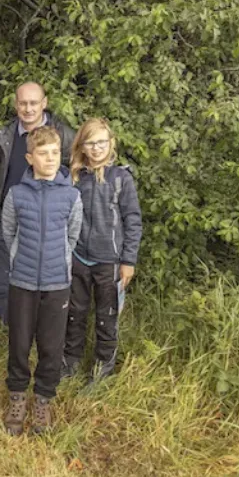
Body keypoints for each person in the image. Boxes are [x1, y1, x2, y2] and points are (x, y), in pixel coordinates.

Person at [0, 126, 82, 436]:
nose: (50, 158)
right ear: (30, 158)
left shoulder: (71, 195)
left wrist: (58, 260)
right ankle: (18, 397)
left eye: (54, 153)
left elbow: (72, 236)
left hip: (56, 283)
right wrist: (21, 257)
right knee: (19, 344)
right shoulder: (16, 194)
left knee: (51, 345)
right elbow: (8, 233)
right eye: (43, 153)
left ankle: (43, 400)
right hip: (22, 282)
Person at [0, 82, 76, 323]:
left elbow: (77, 172)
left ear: (44, 103)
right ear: (16, 105)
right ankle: (4, 335)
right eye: (23, 103)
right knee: (3, 282)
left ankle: (39, 335)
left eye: (33, 103)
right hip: (9, 221)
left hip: (47, 225)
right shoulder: (4, 136)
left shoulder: (63, 135)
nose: (28, 108)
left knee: (44, 289)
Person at [62, 118, 142, 381]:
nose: (96, 148)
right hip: (78, 259)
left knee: (107, 318)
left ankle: (102, 371)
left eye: (101, 142)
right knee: (75, 314)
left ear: (111, 144)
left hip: (110, 262)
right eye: (90, 143)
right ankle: (70, 364)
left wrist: (128, 260)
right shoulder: (73, 178)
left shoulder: (122, 178)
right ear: (82, 146)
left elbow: (133, 220)